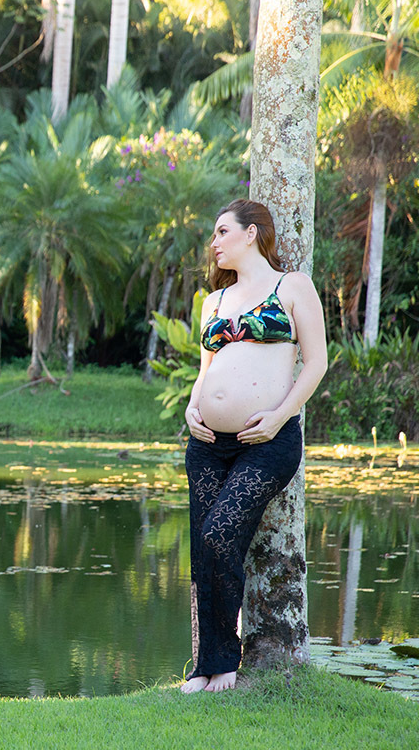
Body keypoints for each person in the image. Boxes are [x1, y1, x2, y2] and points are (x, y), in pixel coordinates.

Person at [180, 199, 327, 694]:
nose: (214, 242)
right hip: (205, 443)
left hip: (268, 440)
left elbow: (316, 363)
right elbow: (205, 373)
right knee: (204, 550)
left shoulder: (293, 287)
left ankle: (228, 660)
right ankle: (207, 665)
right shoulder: (214, 301)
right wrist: (191, 408)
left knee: (220, 533)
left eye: (222, 231)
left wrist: (279, 416)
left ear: (251, 233)